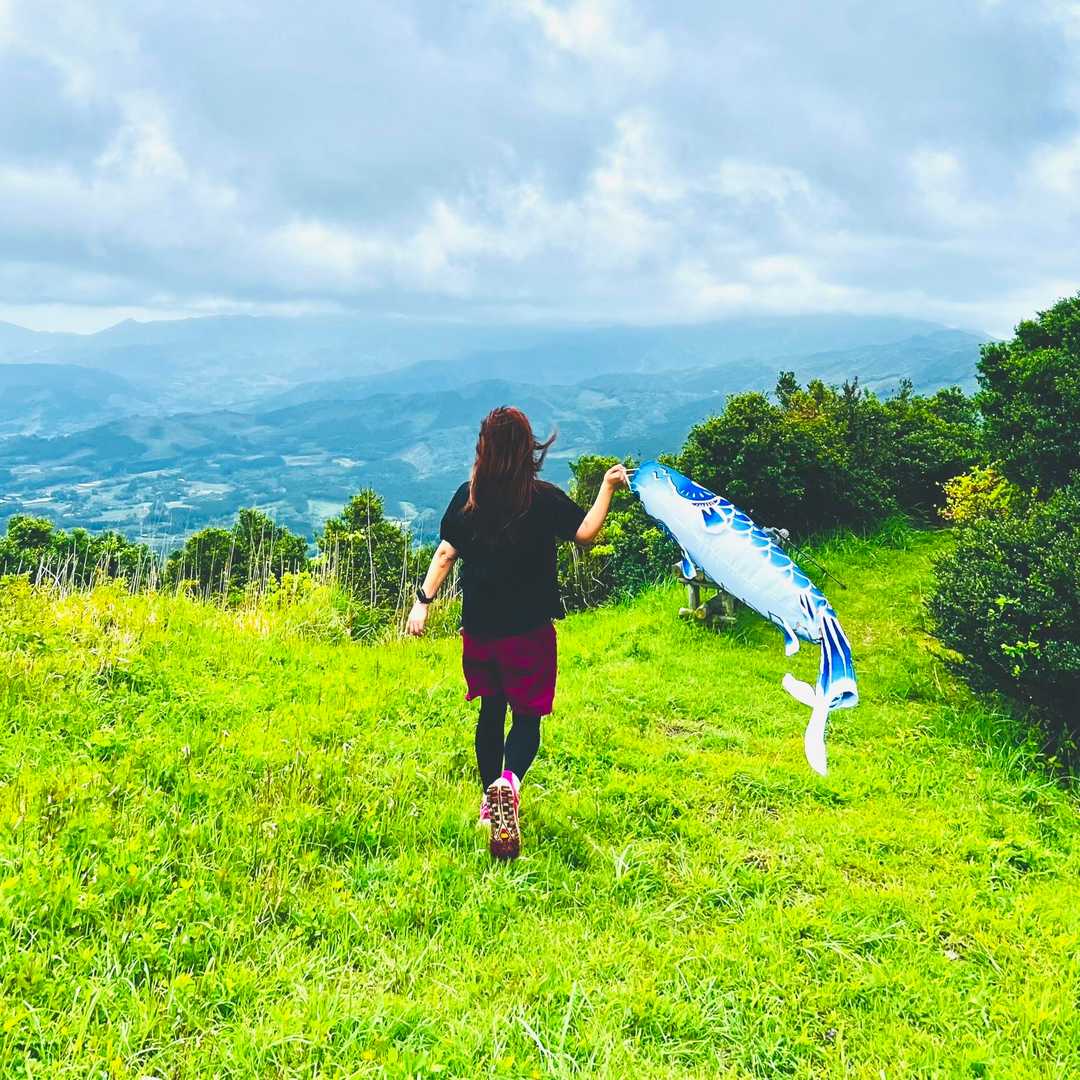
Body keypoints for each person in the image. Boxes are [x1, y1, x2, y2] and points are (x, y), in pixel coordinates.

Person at [406, 406, 628, 860]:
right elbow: (585, 532)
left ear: (484, 450)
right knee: (526, 718)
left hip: (481, 632)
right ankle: (510, 783)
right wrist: (606, 486)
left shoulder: (468, 498)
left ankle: (490, 802)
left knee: (490, 712)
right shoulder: (542, 499)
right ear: (528, 449)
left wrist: (422, 603)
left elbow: (445, 554)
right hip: (529, 633)